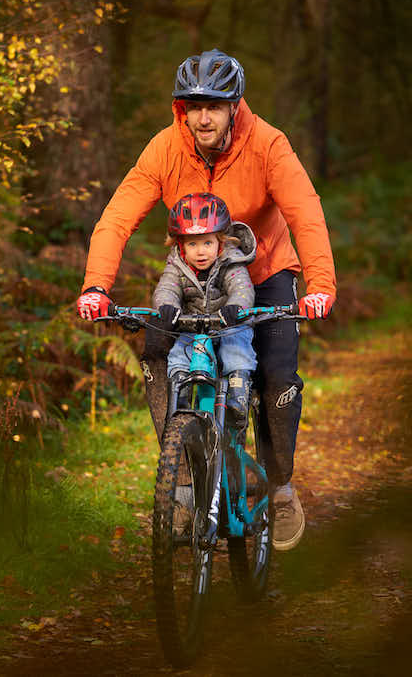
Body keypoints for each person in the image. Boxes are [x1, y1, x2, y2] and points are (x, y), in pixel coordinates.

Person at [76, 48, 336, 552]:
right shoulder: (165, 149)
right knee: (155, 355)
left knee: (277, 375)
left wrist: (320, 285)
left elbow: (306, 212)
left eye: (214, 105)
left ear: (235, 106)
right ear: (181, 109)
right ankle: (181, 475)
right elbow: (118, 216)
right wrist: (95, 285)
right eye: (192, 105)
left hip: (262, 275)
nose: (203, 116)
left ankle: (280, 488)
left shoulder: (268, 145)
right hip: (192, 280)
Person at [153, 192, 256, 424]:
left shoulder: (230, 260)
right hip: (194, 325)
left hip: (229, 323)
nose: (201, 252)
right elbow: (166, 288)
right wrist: (167, 307)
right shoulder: (177, 264)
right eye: (193, 244)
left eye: (207, 243)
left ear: (220, 241)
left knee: (235, 349)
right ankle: (180, 395)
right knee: (179, 353)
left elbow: (242, 287)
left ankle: (237, 398)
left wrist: (236, 307)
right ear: (181, 245)